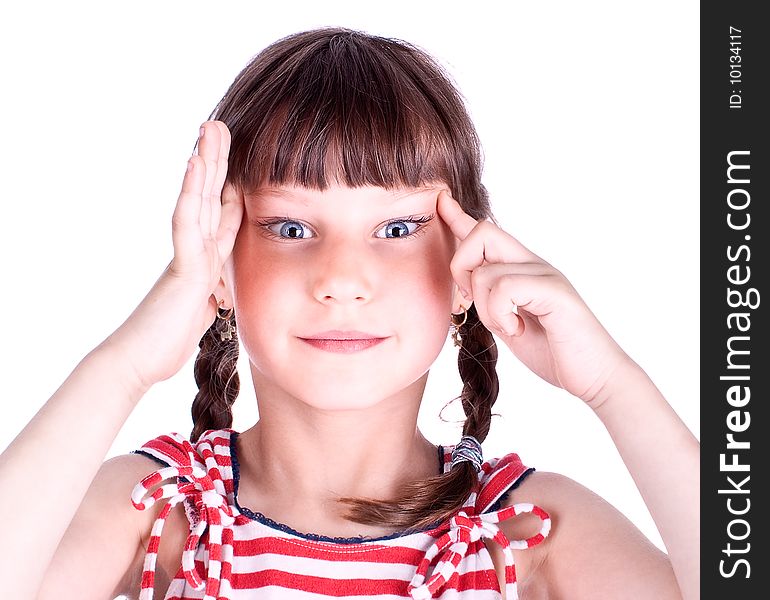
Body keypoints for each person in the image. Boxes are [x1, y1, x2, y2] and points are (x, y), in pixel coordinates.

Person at [0, 27, 698, 600]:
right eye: (291, 228)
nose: (340, 280)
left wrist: (612, 383)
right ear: (220, 264)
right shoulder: (159, 510)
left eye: (395, 229)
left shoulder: (529, 532)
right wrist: (123, 365)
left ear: (468, 267)